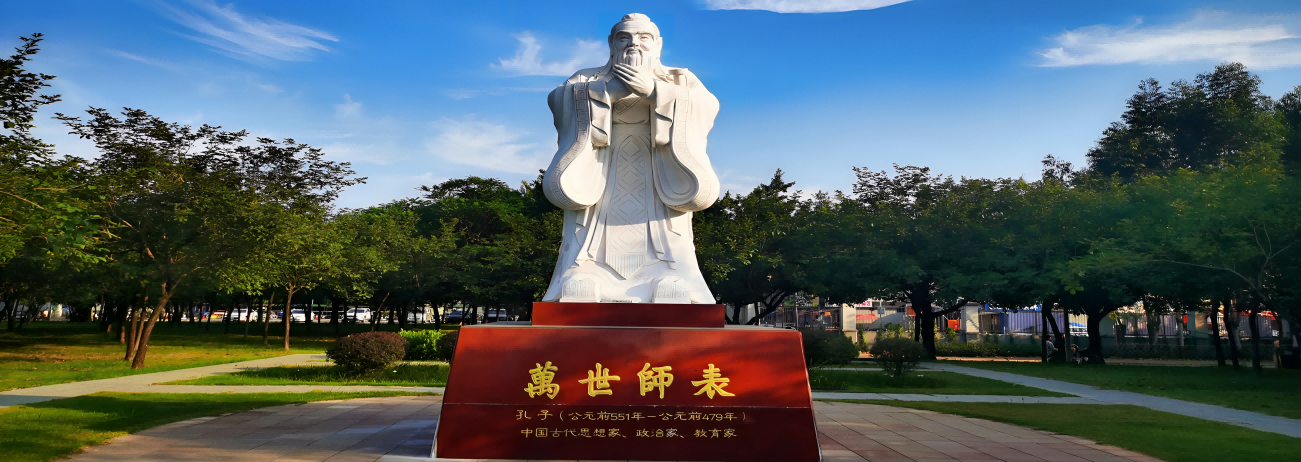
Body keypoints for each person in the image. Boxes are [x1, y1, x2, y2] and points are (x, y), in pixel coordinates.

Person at [541, 13, 720, 304]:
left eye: (643, 37)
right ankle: (585, 272)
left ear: (658, 44)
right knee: (587, 232)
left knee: (668, 233)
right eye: (624, 37)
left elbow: (707, 106)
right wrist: (606, 93)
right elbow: (559, 99)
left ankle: (669, 274)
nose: (634, 44)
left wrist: (657, 92)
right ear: (611, 43)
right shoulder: (587, 78)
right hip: (601, 166)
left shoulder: (679, 79)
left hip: (659, 167)